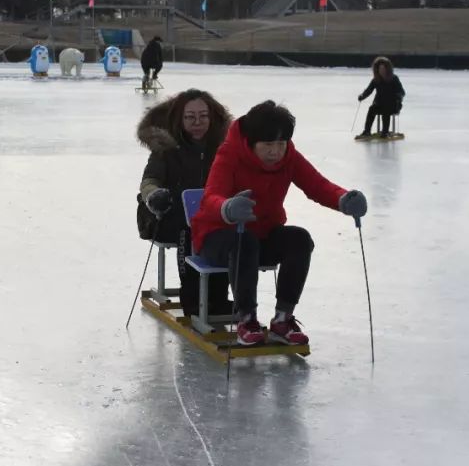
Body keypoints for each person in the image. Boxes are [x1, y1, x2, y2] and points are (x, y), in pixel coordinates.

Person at [189, 101, 368, 346]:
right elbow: (211, 197)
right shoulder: (229, 154)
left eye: (281, 144)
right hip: (217, 236)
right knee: (245, 242)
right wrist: (228, 207)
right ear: (251, 143)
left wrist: (343, 199)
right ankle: (246, 318)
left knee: (299, 239)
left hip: (262, 234)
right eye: (268, 145)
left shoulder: (289, 158)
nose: (276, 151)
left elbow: (317, 185)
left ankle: (283, 318)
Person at [136, 89, 232, 316]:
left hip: (209, 217)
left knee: (224, 228)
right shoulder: (167, 147)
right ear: (180, 118)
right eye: (190, 117)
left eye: (203, 116)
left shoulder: (223, 147)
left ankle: (218, 296)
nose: (197, 122)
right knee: (187, 227)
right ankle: (191, 296)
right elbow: (149, 180)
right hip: (166, 217)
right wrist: (154, 195)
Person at [356, 56, 405, 139]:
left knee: (386, 109)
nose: (381, 71)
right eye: (380, 69)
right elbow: (369, 90)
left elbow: (402, 92)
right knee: (372, 109)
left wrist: (398, 97)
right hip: (380, 104)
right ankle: (367, 131)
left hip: (393, 105)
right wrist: (362, 96)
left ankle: (385, 132)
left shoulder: (394, 79)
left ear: (387, 69)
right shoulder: (376, 80)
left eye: (383, 69)